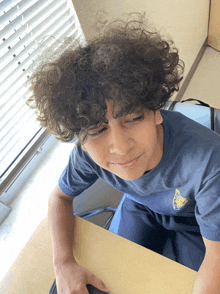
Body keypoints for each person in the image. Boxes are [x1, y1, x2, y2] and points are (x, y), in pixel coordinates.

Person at [27, 12, 220, 294]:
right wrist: (64, 262)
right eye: (97, 129)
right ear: (81, 137)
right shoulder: (87, 155)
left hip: (196, 223)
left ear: (156, 110)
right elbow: (59, 197)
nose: (120, 147)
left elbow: (215, 255)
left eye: (132, 118)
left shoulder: (208, 162)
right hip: (141, 207)